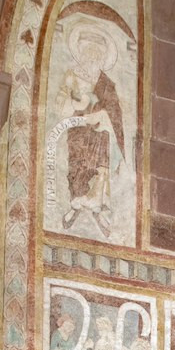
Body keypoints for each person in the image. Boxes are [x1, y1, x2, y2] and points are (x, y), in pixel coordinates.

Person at [57, 22, 125, 237]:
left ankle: (98, 206)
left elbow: (115, 113)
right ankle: (75, 203)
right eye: (89, 52)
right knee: (77, 164)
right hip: (77, 130)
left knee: (101, 161)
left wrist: (104, 116)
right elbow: (62, 105)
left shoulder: (107, 84)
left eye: (97, 53)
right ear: (82, 52)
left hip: (100, 132)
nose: (93, 57)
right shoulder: (72, 77)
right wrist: (75, 105)